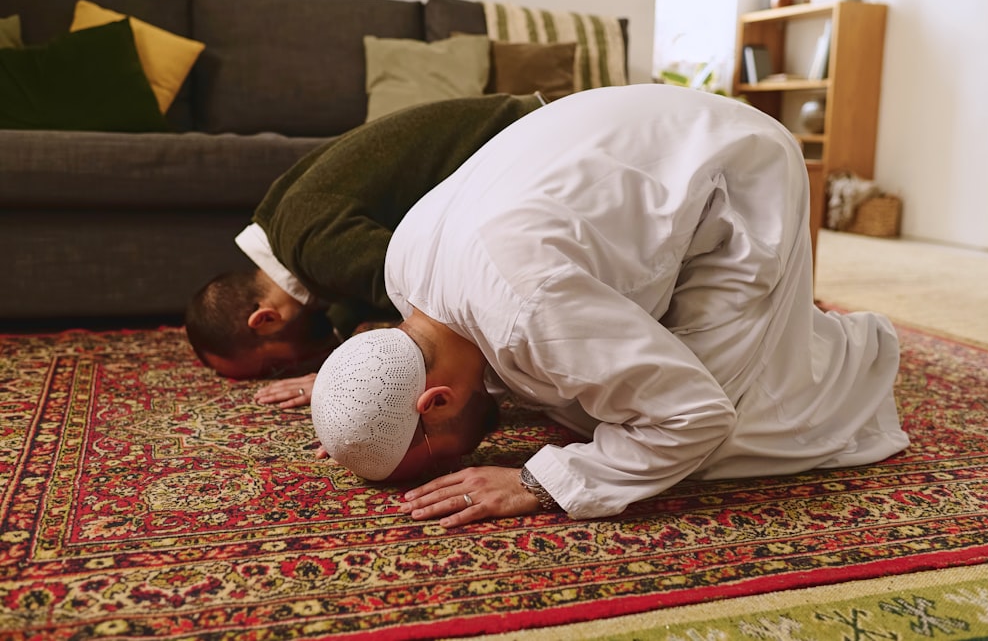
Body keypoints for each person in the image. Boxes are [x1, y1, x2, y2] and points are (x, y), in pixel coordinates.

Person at [309, 83, 910, 526]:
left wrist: (539, 482)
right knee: (593, 404)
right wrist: (360, 418)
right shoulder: (405, 268)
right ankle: (783, 331)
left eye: (431, 460)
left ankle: (862, 351)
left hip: (738, 168)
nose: (451, 467)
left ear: (434, 399)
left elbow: (693, 417)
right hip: (663, 133)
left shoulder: (527, 306)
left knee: (712, 438)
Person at [184, 93, 544, 394]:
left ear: (263, 318)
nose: (291, 366)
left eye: (276, 364)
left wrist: (342, 381)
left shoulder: (314, 244)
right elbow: (351, 277)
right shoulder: (282, 223)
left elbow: (429, 299)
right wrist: (338, 336)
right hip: (525, 128)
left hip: (532, 145)